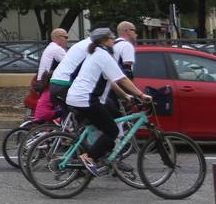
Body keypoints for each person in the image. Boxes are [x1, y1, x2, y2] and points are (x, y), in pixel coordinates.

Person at [65, 28, 151, 176]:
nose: (114, 41)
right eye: (111, 39)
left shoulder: (95, 53)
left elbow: (113, 81)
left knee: (114, 116)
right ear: (104, 41)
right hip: (86, 99)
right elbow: (122, 79)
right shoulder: (103, 55)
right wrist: (141, 95)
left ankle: (105, 156)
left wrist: (127, 96)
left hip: (81, 97)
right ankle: (88, 157)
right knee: (112, 131)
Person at [26, 28, 70, 109]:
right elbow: (70, 64)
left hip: (42, 81)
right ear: (57, 37)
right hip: (48, 82)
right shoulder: (57, 49)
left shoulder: (50, 47)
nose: (67, 40)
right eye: (66, 37)